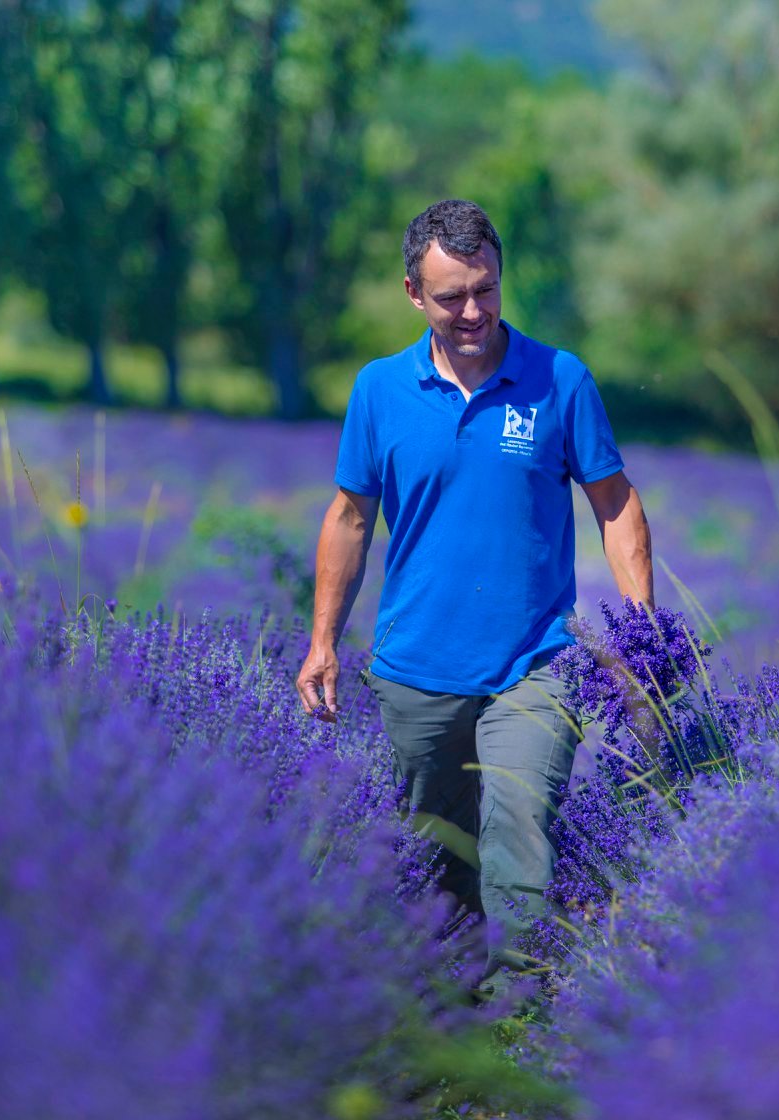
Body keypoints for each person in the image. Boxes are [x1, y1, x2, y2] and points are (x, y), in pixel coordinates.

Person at [295, 199, 654, 1001]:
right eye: (451, 296)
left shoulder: (560, 380)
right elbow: (350, 518)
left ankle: (518, 1013)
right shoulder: (380, 389)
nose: (472, 312)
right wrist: (322, 642)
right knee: (436, 858)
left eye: (485, 290)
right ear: (413, 294)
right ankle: (445, 1014)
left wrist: (640, 629)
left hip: (537, 661)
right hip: (415, 668)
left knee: (517, 833)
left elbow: (616, 502)